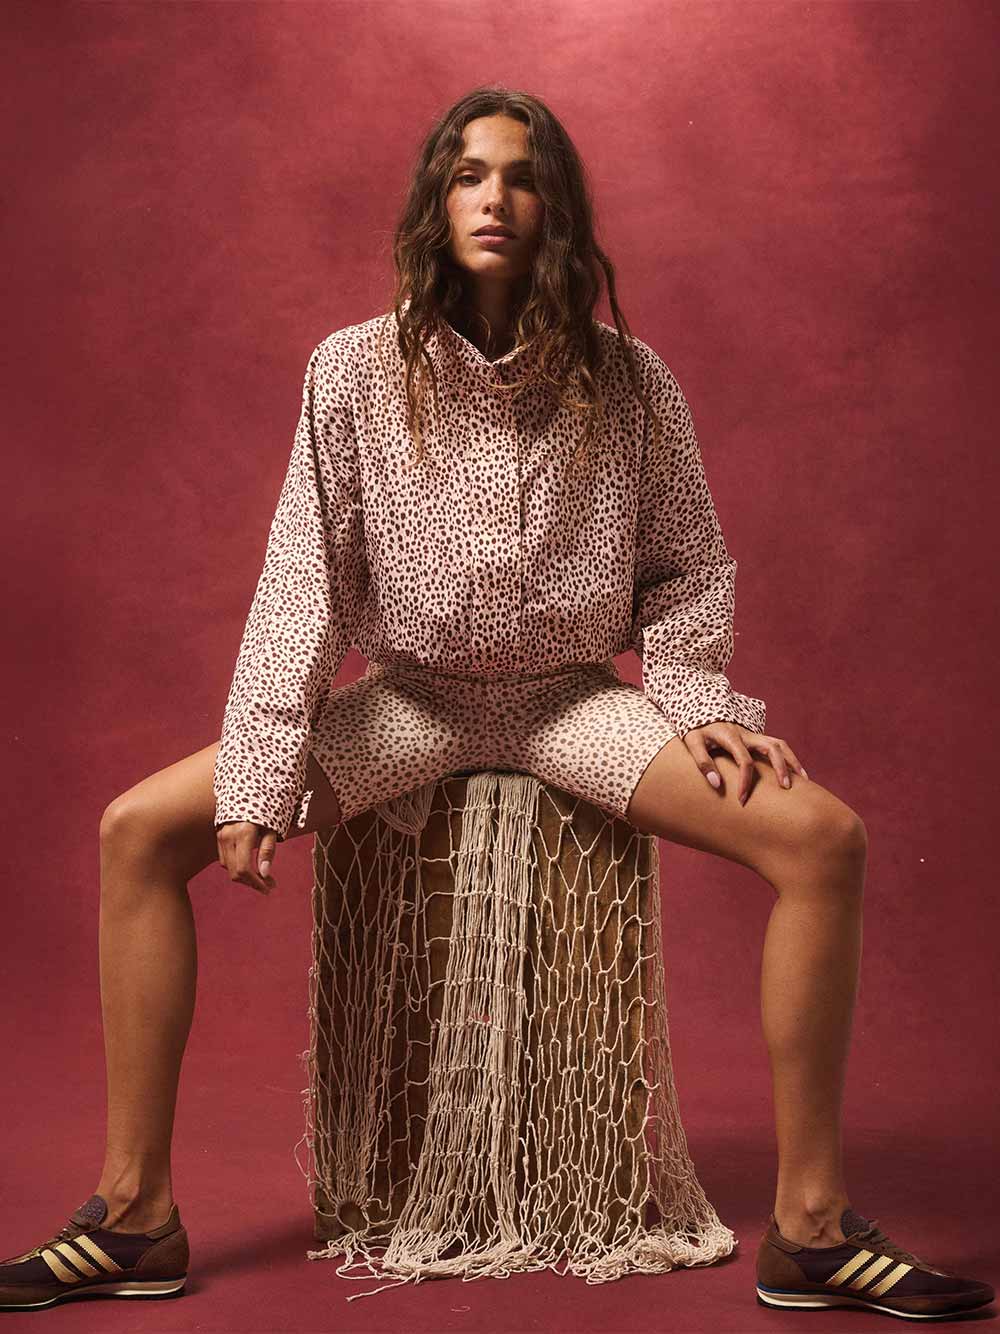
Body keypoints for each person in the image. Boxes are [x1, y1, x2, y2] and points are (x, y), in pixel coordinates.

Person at [0, 85, 992, 1321]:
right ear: (436, 198)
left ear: (554, 208)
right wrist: (259, 771)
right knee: (134, 831)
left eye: (521, 176)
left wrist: (693, 695)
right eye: (469, 173)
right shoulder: (352, 370)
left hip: (571, 702)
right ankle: (135, 1212)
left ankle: (809, 1228)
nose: (494, 198)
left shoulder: (631, 382)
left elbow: (689, 562)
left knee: (822, 837)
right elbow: (303, 579)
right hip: (408, 702)